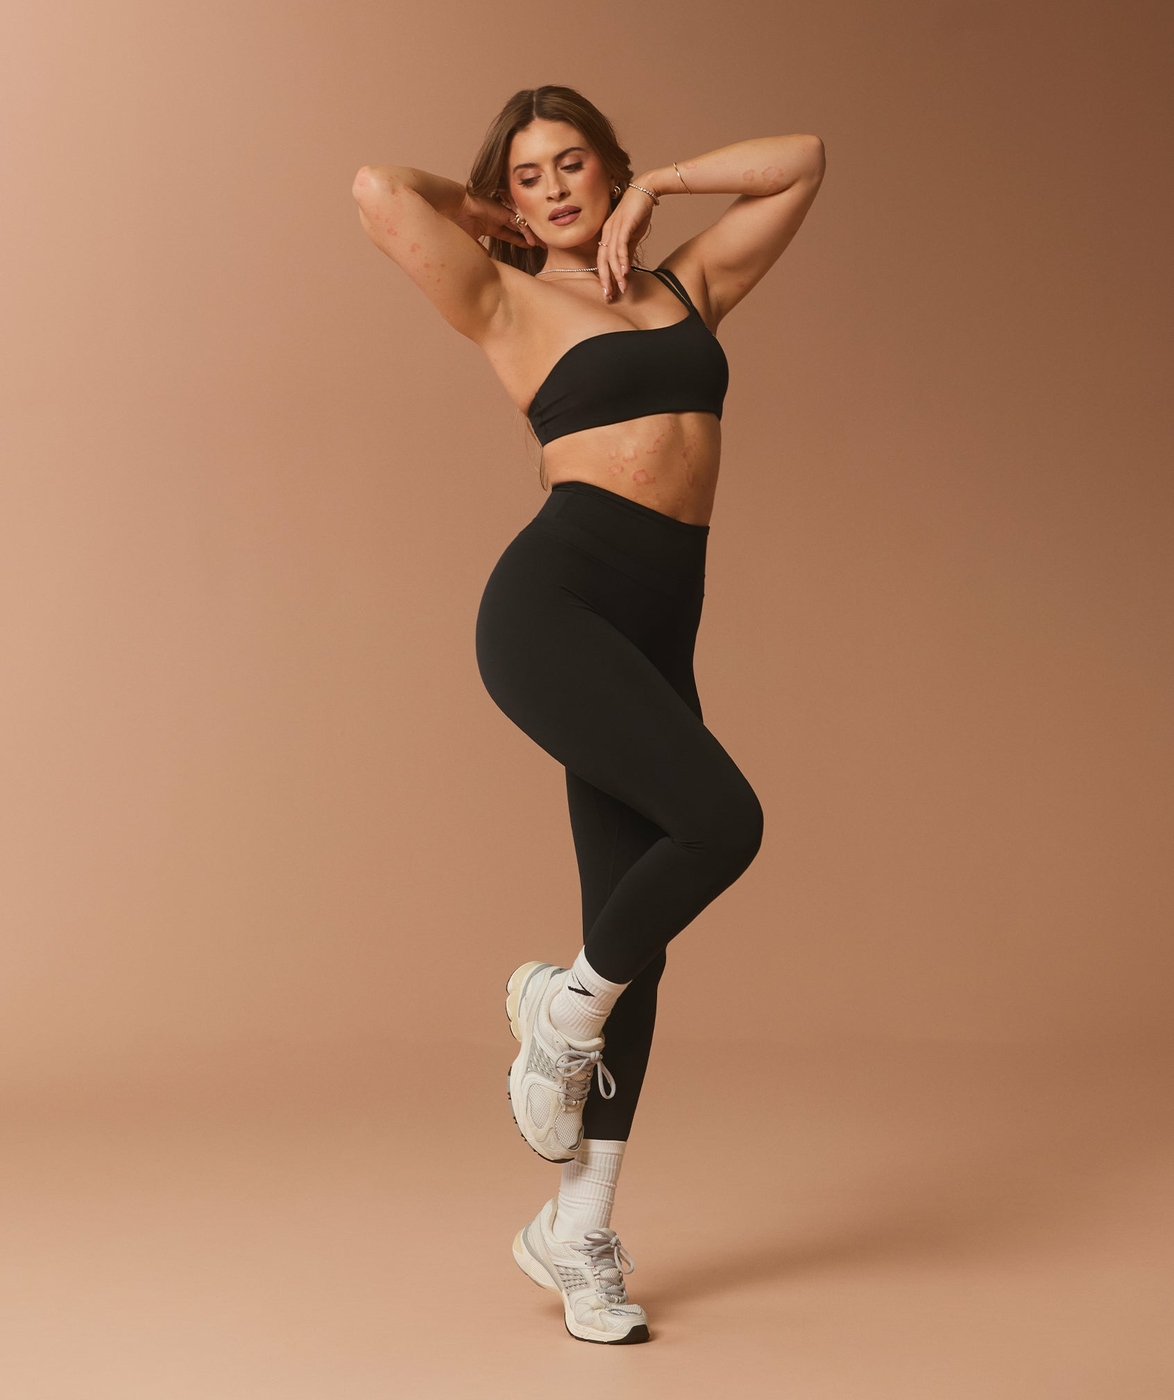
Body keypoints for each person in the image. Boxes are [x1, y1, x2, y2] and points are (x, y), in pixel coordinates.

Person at [353, 85, 825, 1345]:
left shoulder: (686, 286)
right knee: (722, 822)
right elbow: (376, 191)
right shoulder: (505, 299)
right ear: (507, 198)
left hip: (662, 628)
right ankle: (558, 1008)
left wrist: (663, 185)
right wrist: (486, 215)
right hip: (554, 607)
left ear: (610, 167)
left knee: (637, 929)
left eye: (574, 163)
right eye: (530, 175)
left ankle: (579, 1227)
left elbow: (800, 159)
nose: (556, 187)